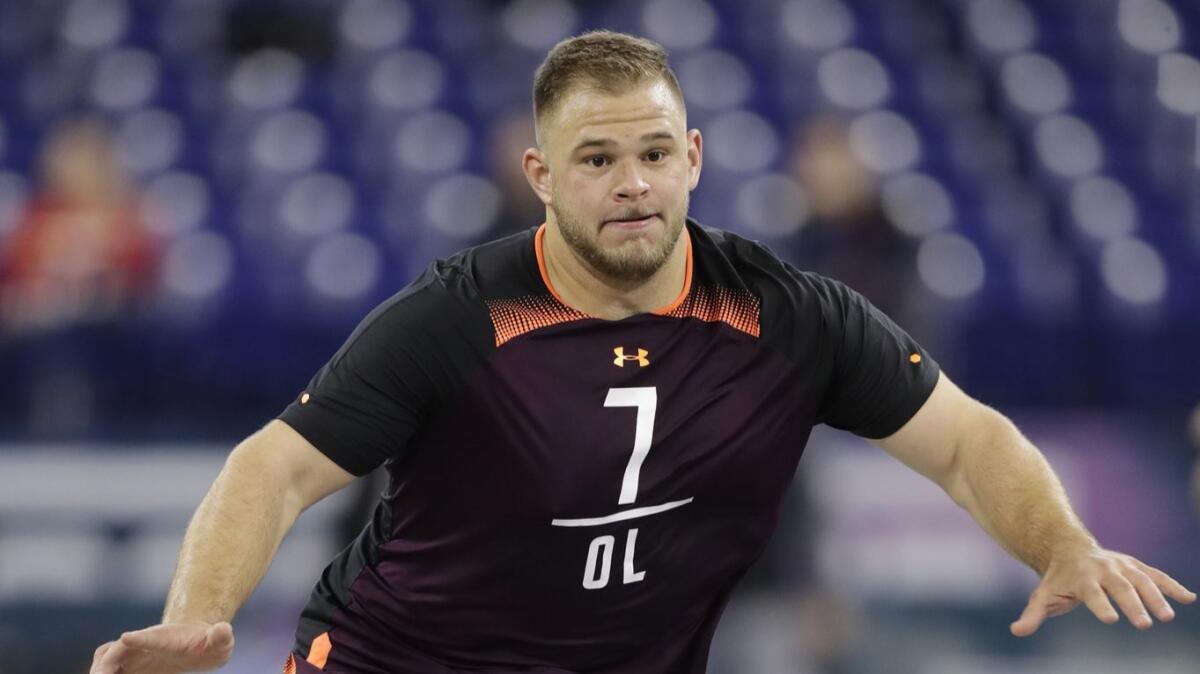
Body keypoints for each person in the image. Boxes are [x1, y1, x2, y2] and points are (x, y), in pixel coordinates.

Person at [90, 31, 1194, 674]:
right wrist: (198, 617)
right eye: (598, 157)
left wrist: (1061, 542)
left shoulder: (786, 312)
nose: (632, 182)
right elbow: (271, 464)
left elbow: (964, 438)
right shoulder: (459, 314)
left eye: (656, 152)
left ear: (695, 158)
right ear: (540, 174)